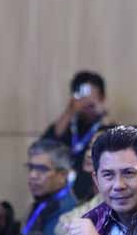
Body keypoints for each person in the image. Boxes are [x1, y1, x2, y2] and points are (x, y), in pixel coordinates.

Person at [43, 70, 113, 200]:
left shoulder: (107, 128)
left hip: (90, 196)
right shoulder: (69, 125)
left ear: (102, 98)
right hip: (59, 195)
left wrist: (103, 115)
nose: (86, 108)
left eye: (91, 104)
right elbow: (45, 147)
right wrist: (70, 110)